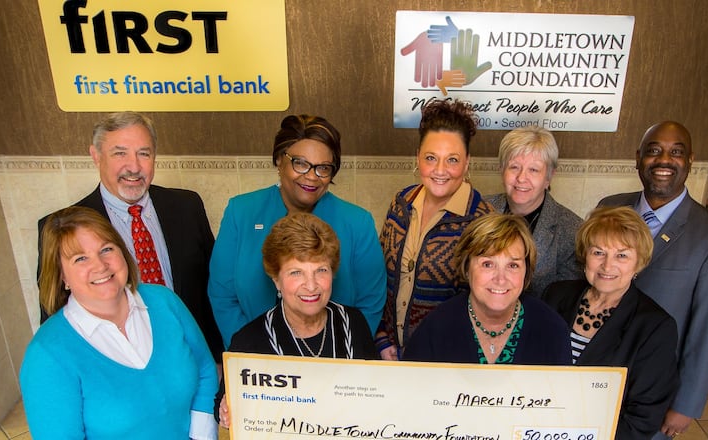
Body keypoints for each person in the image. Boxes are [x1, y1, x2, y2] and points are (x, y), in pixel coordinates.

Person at [36, 111, 223, 362]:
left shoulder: (187, 206)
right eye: (120, 153)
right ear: (96, 156)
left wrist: (217, 357)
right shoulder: (62, 227)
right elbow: (53, 312)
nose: (134, 167)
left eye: (144, 153)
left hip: (190, 352)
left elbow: (213, 287)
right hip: (116, 364)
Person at [598, 121, 708, 439]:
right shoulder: (609, 207)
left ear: (690, 160)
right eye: (654, 151)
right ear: (638, 158)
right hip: (597, 376)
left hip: (655, 390)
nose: (664, 160)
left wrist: (686, 404)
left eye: (676, 152)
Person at [21, 207, 218, 439]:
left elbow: (206, 369)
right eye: (80, 258)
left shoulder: (164, 301)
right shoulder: (46, 355)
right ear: (62, 275)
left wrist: (201, 435)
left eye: (106, 249)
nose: (100, 265)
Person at [208, 114, 386, 347]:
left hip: (335, 354)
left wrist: (344, 351)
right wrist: (250, 350)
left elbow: (371, 302)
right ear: (279, 160)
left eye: (323, 168)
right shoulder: (240, 212)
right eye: (300, 163)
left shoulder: (357, 222)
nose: (312, 177)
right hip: (255, 355)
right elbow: (223, 296)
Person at [216, 213, 377, 428]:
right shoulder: (249, 342)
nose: (311, 285)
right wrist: (226, 411)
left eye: (321, 270)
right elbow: (222, 405)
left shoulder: (354, 323)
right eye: (296, 273)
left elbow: (376, 391)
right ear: (276, 279)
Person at [543, 206, 679, 439]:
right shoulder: (555, 295)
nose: (607, 266)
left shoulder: (655, 327)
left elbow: (643, 418)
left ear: (639, 263)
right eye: (598, 252)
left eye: (622, 255)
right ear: (585, 256)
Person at [377, 99, 495, 360]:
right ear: (418, 156)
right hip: (390, 354)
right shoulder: (401, 203)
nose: (440, 171)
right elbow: (379, 276)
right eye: (431, 158)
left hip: (444, 359)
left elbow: (484, 306)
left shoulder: (483, 221)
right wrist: (382, 338)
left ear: (467, 162)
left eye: (452, 160)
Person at [403, 213, 570, 365]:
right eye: (488, 264)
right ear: (467, 268)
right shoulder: (436, 326)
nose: (500, 279)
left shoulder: (552, 329)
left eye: (513, 265)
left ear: (526, 271)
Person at [485, 126, 582, 297]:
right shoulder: (479, 210)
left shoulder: (572, 230)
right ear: (501, 169)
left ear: (549, 177)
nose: (522, 178)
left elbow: (565, 300)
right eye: (514, 167)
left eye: (533, 170)